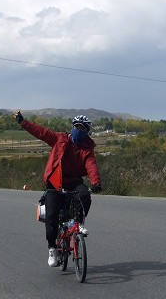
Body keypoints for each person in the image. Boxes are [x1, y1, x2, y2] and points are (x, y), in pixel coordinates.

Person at [14, 110, 102, 267]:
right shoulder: (60, 139)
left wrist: (96, 183)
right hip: (55, 182)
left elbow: (91, 166)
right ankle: (52, 249)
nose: (79, 130)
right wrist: (23, 122)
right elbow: (41, 132)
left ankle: (77, 223)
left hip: (73, 181)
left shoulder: (87, 148)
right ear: (72, 127)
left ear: (87, 131)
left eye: (82, 128)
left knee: (84, 195)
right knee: (51, 217)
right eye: (77, 127)